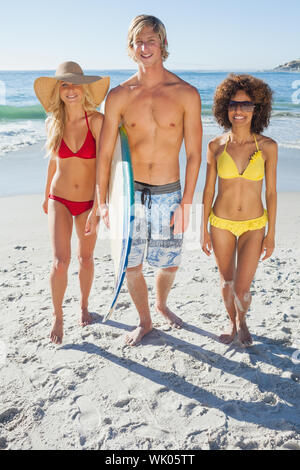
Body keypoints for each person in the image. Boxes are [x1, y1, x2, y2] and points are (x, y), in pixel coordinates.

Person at [87, 15, 202, 346]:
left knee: (169, 263)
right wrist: (104, 201)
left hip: (170, 192)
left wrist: (186, 204)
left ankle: (162, 304)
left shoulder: (186, 94)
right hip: (130, 194)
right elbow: (105, 155)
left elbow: (194, 154)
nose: (144, 47)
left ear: (163, 45)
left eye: (151, 40)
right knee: (131, 264)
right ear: (130, 48)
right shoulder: (120, 96)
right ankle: (145, 320)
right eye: (138, 41)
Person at [34, 61, 110, 344]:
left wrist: (100, 205)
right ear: (59, 91)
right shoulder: (53, 122)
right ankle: (57, 315)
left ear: (84, 87)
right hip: (60, 199)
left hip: (89, 201)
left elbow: (104, 166)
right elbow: (53, 165)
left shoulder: (97, 121)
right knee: (60, 261)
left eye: (75, 83)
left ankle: (84, 306)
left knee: (86, 258)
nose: (70, 89)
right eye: (64, 84)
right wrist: (45, 197)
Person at [201, 74, 277, 347]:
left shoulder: (268, 147)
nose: (239, 110)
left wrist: (271, 235)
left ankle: (243, 321)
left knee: (242, 287)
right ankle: (231, 322)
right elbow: (208, 191)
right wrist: (203, 231)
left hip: (254, 225)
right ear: (225, 108)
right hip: (220, 223)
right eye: (233, 104)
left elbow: (271, 192)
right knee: (226, 280)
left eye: (246, 105)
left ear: (257, 109)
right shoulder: (215, 147)